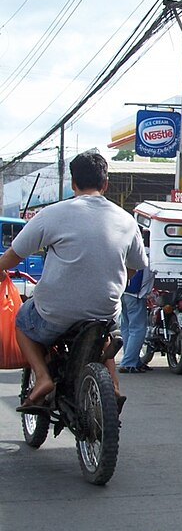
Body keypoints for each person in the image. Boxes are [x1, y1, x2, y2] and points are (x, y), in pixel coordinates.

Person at [0, 150, 147, 412]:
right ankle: (112, 385)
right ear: (105, 184)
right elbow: (135, 267)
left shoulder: (52, 214)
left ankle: (43, 377)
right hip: (104, 310)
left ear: (72, 183)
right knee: (104, 333)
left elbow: (13, 255)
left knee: (22, 320)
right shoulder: (126, 220)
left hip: (55, 312)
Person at [119, 230, 154, 373]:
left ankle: (133, 359)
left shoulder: (133, 250)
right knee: (138, 329)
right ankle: (129, 362)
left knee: (126, 328)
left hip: (123, 292)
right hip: (137, 295)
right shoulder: (152, 255)